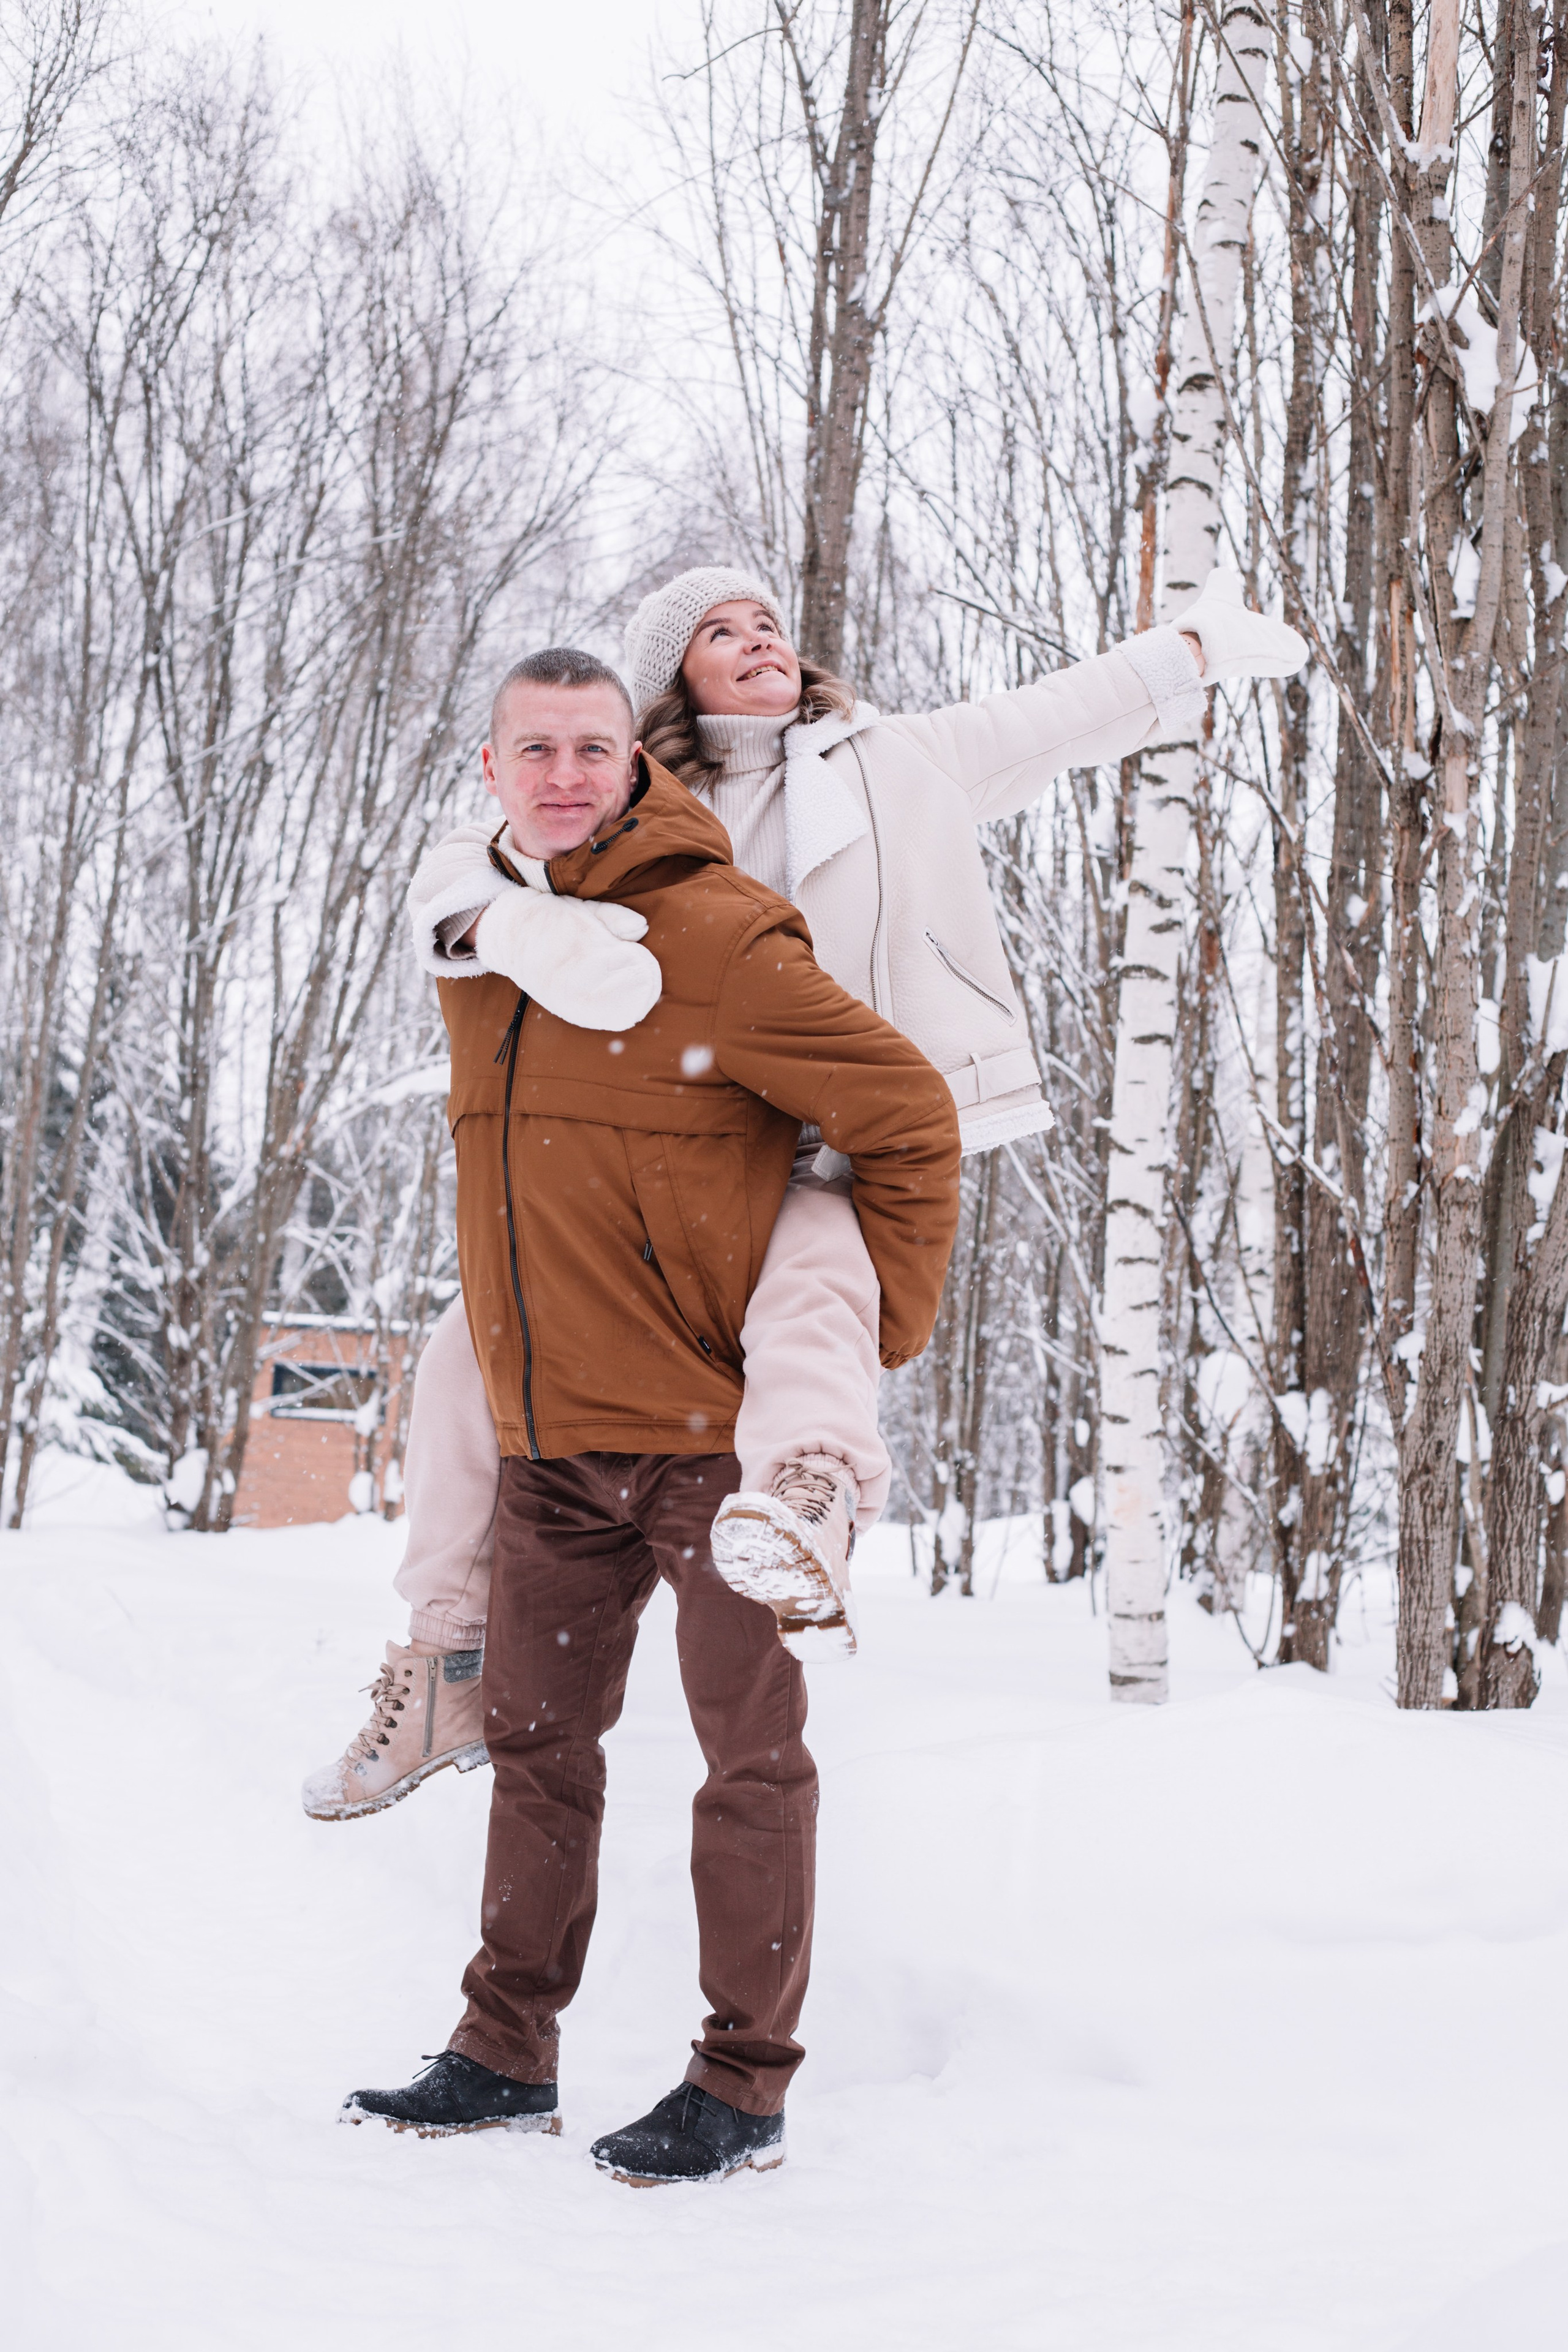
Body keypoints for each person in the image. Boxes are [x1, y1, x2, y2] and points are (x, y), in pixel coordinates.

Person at [304, 565, 1308, 1823]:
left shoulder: (900, 763)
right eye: (719, 632)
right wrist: (496, 927)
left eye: (768, 621)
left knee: (814, 1293)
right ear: (674, 679)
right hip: (662, 1157)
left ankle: (806, 1511)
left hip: (824, 1136)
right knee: (471, 1353)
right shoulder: (626, 802)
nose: (757, 640)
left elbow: (1056, 714)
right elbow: (469, 851)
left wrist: (1190, 652)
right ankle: (445, 1660)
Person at [342, 644, 961, 2182]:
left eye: (592, 747)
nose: (564, 773)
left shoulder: (719, 939)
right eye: (533, 747)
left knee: (748, 1759)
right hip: (552, 1445)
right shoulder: (483, 947)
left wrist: (873, 1317)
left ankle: (741, 2084)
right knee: (540, 1752)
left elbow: (909, 1117)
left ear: (636, 763)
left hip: (706, 1451)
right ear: (489, 769)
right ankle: (503, 2055)